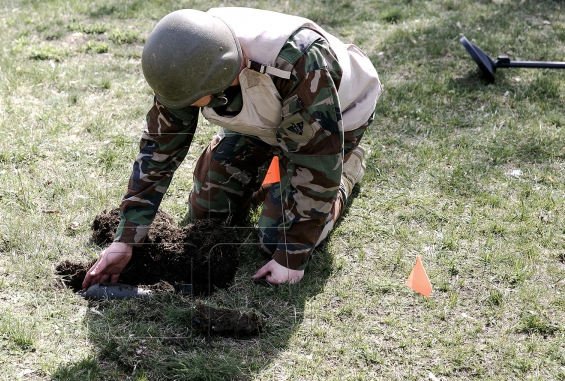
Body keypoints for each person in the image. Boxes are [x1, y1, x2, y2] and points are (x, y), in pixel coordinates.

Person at [83, 7, 381, 289]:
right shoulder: (187, 57)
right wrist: (127, 237)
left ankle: (347, 168)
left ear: (221, 79)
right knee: (208, 214)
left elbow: (316, 159)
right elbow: (160, 146)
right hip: (265, 118)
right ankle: (273, 170)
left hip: (333, 117)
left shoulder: (300, 61)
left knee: (275, 238)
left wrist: (292, 257)